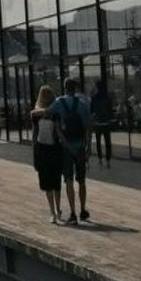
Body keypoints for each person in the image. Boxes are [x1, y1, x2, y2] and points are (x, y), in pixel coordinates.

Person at [49, 77, 90, 223]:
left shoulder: (59, 102)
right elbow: (87, 127)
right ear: (75, 88)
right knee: (82, 180)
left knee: (69, 180)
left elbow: (48, 112)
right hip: (80, 146)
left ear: (65, 87)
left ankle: (72, 212)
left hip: (66, 147)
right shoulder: (82, 104)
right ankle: (83, 209)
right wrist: (88, 147)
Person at [30, 85, 63, 223]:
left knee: (47, 183)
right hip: (54, 149)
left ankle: (52, 212)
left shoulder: (36, 115)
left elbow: (34, 134)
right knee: (56, 182)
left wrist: (34, 152)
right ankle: (58, 209)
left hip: (41, 149)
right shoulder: (55, 113)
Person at [88, 78, 113, 166]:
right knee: (107, 141)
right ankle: (108, 159)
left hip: (98, 122)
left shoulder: (94, 98)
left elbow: (91, 110)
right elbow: (110, 110)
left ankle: (100, 158)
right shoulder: (107, 97)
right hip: (106, 121)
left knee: (98, 141)